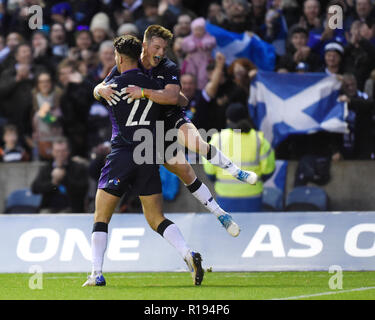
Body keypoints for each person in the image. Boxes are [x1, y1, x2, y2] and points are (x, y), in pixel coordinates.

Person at [94, 25, 256, 237]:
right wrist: (99, 89)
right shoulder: (127, 64)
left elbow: (173, 99)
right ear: (144, 46)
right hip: (152, 130)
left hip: (171, 116)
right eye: (157, 47)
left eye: (164, 48)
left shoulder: (168, 67)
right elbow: (101, 86)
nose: (161, 53)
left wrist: (144, 92)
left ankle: (236, 171)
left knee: (197, 143)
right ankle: (221, 214)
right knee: (185, 172)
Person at [82, 35, 204, 287]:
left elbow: (96, 93)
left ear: (118, 57)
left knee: (101, 216)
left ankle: (96, 273)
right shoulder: (152, 86)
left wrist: (98, 89)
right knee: (156, 217)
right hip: (147, 155)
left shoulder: (112, 86)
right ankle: (187, 253)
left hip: (122, 154)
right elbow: (177, 100)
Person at [203, 103, 275, 213]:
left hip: (225, 197)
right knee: (252, 229)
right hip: (253, 196)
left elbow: (210, 171)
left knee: (228, 229)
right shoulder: (258, 139)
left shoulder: (218, 139)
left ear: (228, 120)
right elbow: (268, 170)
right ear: (246, 118)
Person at [31, 136, 89, 213]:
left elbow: (83, 189)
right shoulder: (46, 168)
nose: (60, 154)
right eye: (57, 151)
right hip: (49, 209)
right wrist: (53, 183)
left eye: (63, 151)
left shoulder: (78, 167)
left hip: (72, 209)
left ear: (68, 151)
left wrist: (64, 178)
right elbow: (35, 188)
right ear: (53, 152)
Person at [180, 17, 216, 90]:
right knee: (191, 75)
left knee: (202, 76)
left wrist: (203, 44)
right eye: (196, 30)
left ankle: (201, 90)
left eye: (200, 29)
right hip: (192, 61)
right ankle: (190, 89)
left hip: (204, 61)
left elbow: (212, 42)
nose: (198, 32)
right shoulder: (190, 38)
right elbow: (184, 45)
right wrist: (193, 46)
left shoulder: (207, 37)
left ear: (204, 30)